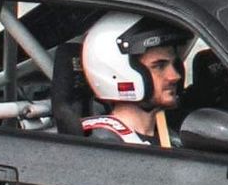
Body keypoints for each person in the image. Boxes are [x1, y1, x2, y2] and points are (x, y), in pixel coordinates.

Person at [78, 16, 188, 145]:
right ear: (119, 71)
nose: (175, 76)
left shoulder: (170, 137)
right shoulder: (106, 148)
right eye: (159, 66)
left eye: (174, 65)